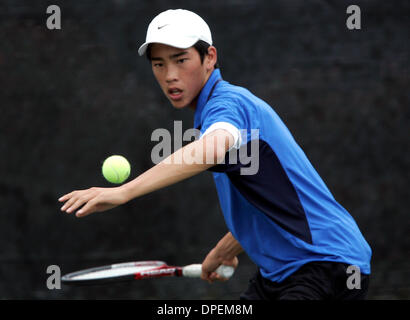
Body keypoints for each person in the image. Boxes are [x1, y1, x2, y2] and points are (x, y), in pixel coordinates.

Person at [59, 9, 372, 300]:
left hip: (326, 264)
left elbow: (212, 148)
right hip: (280, 274)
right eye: (159, 64)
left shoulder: (228, 104)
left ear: (209, 57)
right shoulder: (214, 110)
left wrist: (124, 193)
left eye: (181, 60)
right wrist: (226, 248)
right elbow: (273, 199)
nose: (170, 75)